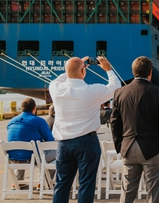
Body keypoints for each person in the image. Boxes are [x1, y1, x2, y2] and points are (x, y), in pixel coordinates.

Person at [49, 56, 120, 203]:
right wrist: (108, 69)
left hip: (63, 144)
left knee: (62, 184)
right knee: (86, 185)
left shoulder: (55, 89)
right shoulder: (92, 91)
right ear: (83, 71)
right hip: (87, 143)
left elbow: (61, 78)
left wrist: (75, 68)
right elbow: (115, 87)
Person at [111, 56, 159, 203]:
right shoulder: (158, 92)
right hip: (153, 149)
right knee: (155, 193)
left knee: (127, 192)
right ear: (150, 73)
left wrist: (120, 145)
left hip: (128, 147)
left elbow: (114, 122)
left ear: (133, 72)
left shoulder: (119, 93)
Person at [7, 98, 55, 183]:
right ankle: (44, 182)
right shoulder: (39, 121)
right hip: (32, 158)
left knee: (20, 148)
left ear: (22, 108)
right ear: (34, 109)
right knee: (59, 152)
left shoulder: (11, 121)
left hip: (13, 158)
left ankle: (18, 182)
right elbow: (50, 140)